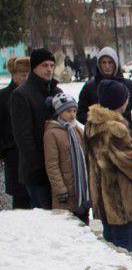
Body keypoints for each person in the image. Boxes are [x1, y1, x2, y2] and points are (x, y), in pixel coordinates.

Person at [85, 79, 132, 251]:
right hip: (121, 199)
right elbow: (129, 161)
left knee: (112, 249)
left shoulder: (93, 125)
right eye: (126, 98)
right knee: (125, 250)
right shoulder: (115, 129)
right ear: (120, 102)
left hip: (105, 197)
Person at [9, 48, 59, 209]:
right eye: (45, 65)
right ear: (35, 67)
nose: (49, 69)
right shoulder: (21, 95)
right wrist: (38, 166)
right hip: (37, 172)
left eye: (52, 65)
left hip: (58, 169)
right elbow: (23, 137)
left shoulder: (57, 91)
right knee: (44, 217)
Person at [76, 46, 132, 137]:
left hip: (125, 139)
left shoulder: (130, 86)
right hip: (98, 140)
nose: (107, 66)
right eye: (104, 62)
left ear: (116, 63)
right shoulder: (89, 87)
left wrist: (131, 132)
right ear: (99, 64)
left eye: (110, 62)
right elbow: (80, 113)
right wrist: (96, 125)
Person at [43, 93, 90, 223]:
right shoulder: (52, 133)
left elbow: (85, 158)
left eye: (74, 111)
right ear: (59, 112)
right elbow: (52, 164)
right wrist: (60, 189)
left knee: (84, 229)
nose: (72, 115)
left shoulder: (78, 130)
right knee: (68, 230)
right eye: (68, 111)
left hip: (81, 191)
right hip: (65, 193)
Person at [0, 57, 31, 209]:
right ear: (13, 74)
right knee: (20, 199)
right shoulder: (3, 96)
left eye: (27, 74)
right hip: (13, 154)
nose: (25, 78)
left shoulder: (32, 93)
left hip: (31, 154)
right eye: (22, 74)